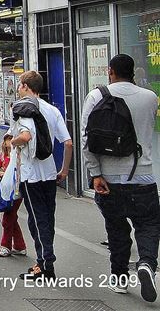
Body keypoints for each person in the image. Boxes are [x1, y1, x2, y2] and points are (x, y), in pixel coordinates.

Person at [82, 53, 160, 301]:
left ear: (110, 71)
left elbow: (87, 140)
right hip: (144, 178)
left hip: (109, 180)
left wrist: (95, 174)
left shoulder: (96, 96)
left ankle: (119, 278)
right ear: (133, 72)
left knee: (116, 230)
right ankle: (147, 263)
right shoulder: (150, 98)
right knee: (148, 225)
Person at [9, 70, 73, 282]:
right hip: (49, 172)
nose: (18, 89)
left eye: (20, 85)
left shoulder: (23, 109)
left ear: (27, 87)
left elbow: (22, 137)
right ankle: (45, 261)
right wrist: (64, 170)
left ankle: (45, 264)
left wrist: (12, 142)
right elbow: (68, 142)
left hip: (30, 173)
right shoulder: (52, 110)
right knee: (48, 218)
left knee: (36, 220)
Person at [0, 133, 26, 258]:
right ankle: (20, 245)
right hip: (6, 188)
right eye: (8, 140)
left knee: (8, 216)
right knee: (12, 217)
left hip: (16, 189)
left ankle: (5, 245)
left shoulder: (19, 155)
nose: (10, 143)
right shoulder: (3, 156)